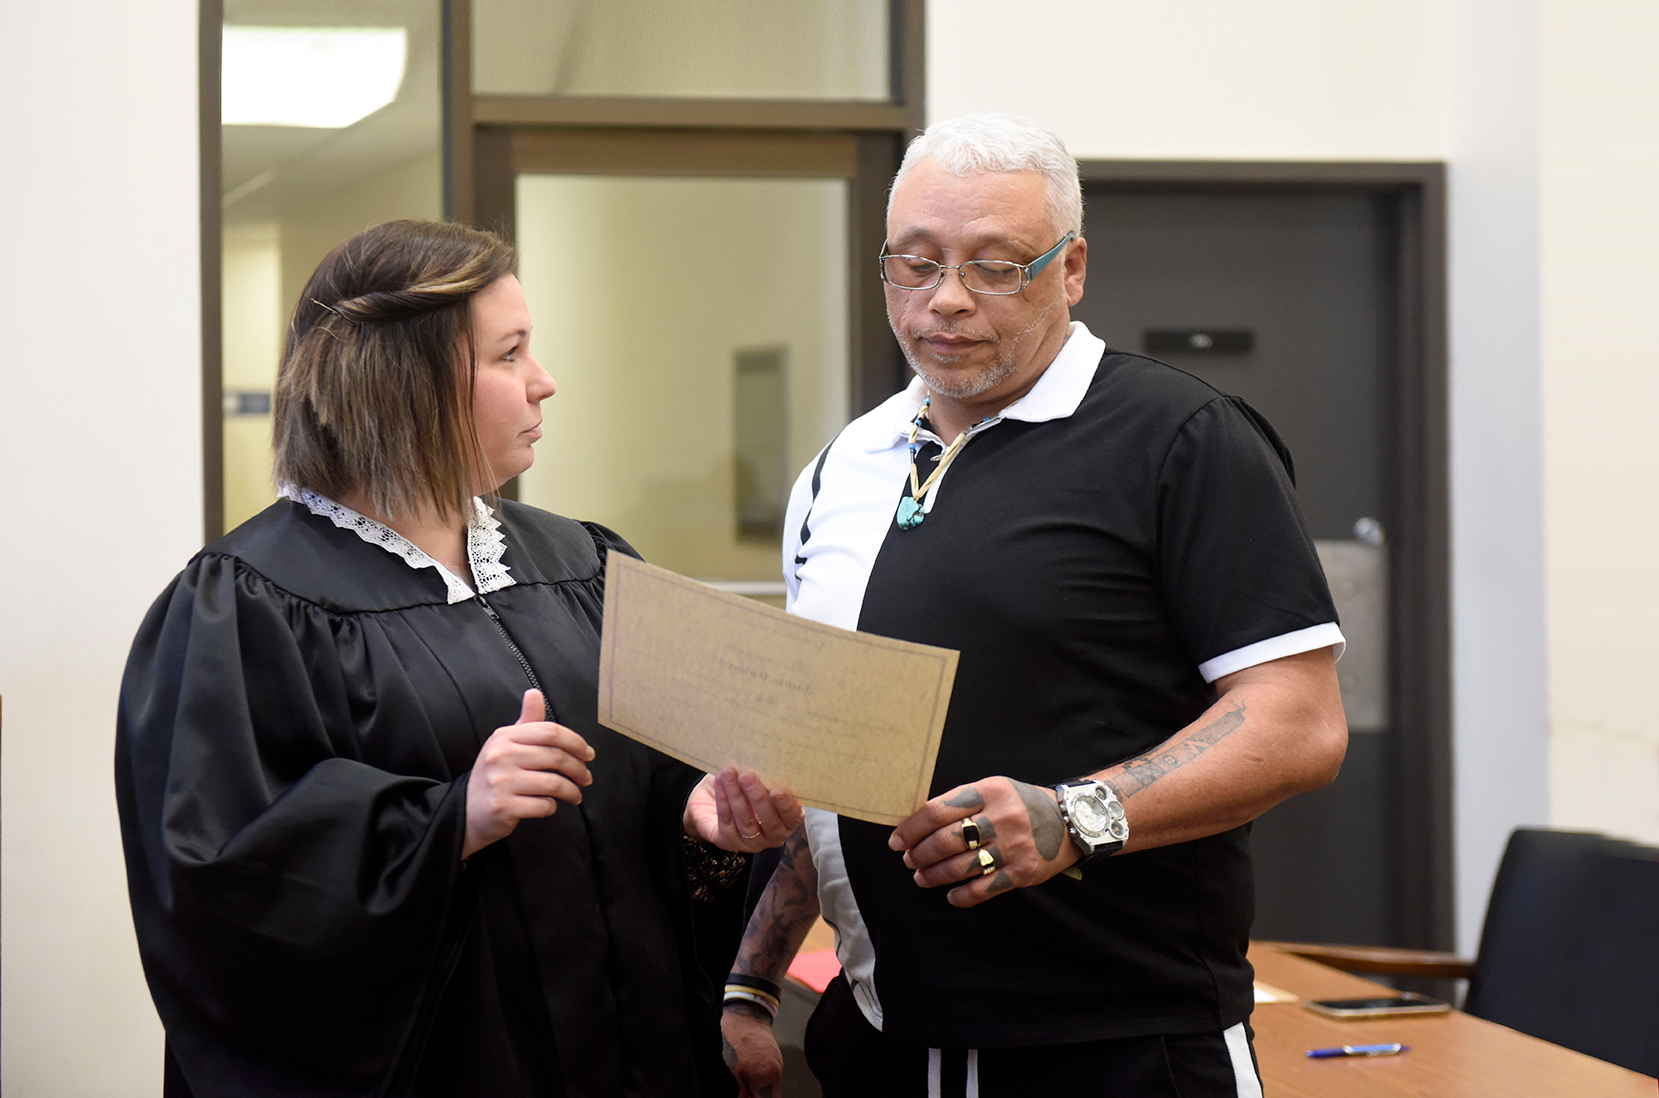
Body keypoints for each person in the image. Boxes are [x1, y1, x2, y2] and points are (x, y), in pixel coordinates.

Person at [719, 115, 1349, 1096]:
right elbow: (828, 755)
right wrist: (752, 984)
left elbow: (1300, 723)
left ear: (1072, 268)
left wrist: (1079, 815)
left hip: (1121, 1048)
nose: (948, 300)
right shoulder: (848, 464)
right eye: (915, 263)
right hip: (886, 1039)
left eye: (997, 265)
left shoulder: (1183, 442)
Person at [115, 219, 802, 1098]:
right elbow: (221, 890)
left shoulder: (585, 564)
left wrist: (700, 816)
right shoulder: (247, 604)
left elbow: (650, 779)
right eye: (510, 354)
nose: (545, 383)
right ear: (406, 385)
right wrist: (451, 820)